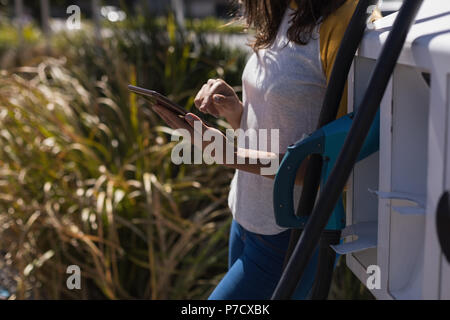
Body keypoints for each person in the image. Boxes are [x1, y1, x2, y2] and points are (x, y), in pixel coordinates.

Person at [152, 0, 364, 299]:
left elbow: (335, 168)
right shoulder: (285, 13)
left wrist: (231, 157)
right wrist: (236, 111)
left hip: (289, 234)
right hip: (245, 218)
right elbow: (279, 126)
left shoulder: (343, 19)